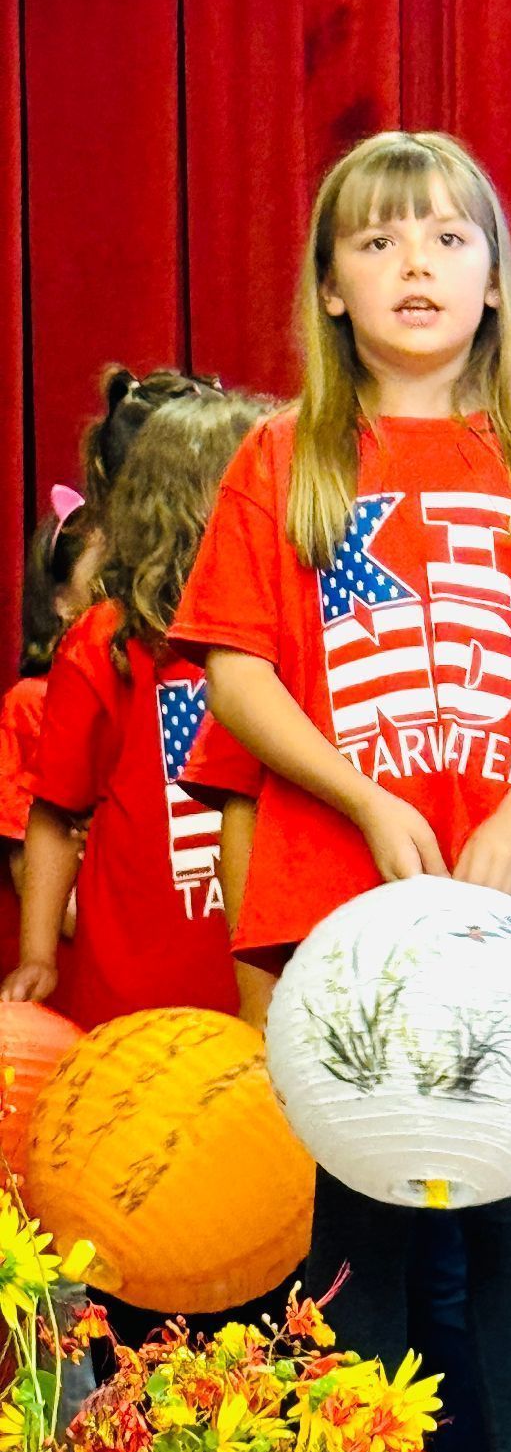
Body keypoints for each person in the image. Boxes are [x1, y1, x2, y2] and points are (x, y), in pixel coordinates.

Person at [169, 130, 511, 1452]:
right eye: (376, 244)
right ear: (330, 288)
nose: (414, 266)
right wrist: (366, 798)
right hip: (344, 899)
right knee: (356, 1218)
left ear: (494, 280)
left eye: (445, 239)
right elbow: (237, 674)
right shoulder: (284, 459)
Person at [1, 391, 262, 1025]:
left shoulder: (284, 628)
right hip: (139, 995)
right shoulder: (104, 641)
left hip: (267, 983)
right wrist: (39, 953)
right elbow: (55, 809)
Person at [0, 487, 102, 986]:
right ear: (61, 602)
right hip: (81, 963)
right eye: (103, 583)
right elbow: (31, 868)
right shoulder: (31, 702)